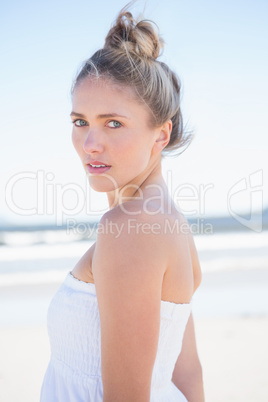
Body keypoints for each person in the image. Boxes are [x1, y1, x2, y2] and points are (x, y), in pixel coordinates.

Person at [40, 2, 204, 401]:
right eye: (81, 122)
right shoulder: (168, 222)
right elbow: (188, 374)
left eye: (113, 123)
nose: (90, 143)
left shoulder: (129, 227)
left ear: (160, 136)